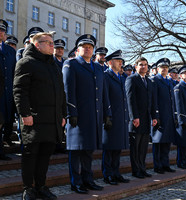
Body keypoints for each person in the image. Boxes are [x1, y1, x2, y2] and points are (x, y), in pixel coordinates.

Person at [14, 32, 66, 200]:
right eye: (49, 43)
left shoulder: (53, 66)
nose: (53, 46)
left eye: (52, 43)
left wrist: (63, 114)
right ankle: (28, 188)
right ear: (37, 45)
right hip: (33, 118)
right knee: (31, 155)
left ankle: (41, 186)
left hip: (52, 119)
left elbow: (61, 93)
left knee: (45, 155)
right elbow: (20, 91)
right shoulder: (26, 63)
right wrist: (25, 113)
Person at [63, 34, 111, 194]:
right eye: (84, 46)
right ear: (78, 49)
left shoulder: (98, 67)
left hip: (94, 115)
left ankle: (87, 179)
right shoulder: (71, 64)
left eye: (90, 47)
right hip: (78, 115)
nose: (88, 49)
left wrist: (106, 113)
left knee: (88, 150)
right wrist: (71, 112)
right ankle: (75, 182)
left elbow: (103, 93)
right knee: (76, 151)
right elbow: (68, 91)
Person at [125, 57, 158, 179]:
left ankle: (142, 168)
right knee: (135, 147)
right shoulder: (131, 79)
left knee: (143, 147)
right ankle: (136, 170)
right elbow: (130, 100)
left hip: (146, 118)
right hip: (136, 119)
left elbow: (152, 100)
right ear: (136, 66)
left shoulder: (149, 81)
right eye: (141, 64)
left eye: (145, 64)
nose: (143, 67)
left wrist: (154, 116)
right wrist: (134, 117)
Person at [102, 50, 130, 185]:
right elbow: (104, 97)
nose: (121, 64)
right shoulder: (106, 76)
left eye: (121, 61)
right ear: (110, 62)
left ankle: (116, 172)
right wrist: (107, 115)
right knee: (109, 148)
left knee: (117, 147)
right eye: (118, 61)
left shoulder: (121, 77)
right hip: (111, 117)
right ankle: (108, 174)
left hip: (121, 116)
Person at [151, 58, 176, 174]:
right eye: (162, 67)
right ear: (157, 69)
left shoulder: (169, 81)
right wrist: (156, 116)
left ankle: (165, 164)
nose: (165, 69)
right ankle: (158, 165)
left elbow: (172, 100)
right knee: (158, 142)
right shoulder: (155, 80)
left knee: (166, 142)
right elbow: (154, 99)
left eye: (166, 67)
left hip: (169, 116)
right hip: (160, 115)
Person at [0, 19, 16, 160]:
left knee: (6, 121)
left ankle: (1, 150)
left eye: (2, 30)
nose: (0, 33)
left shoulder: (10, 51)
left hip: (8, 93)